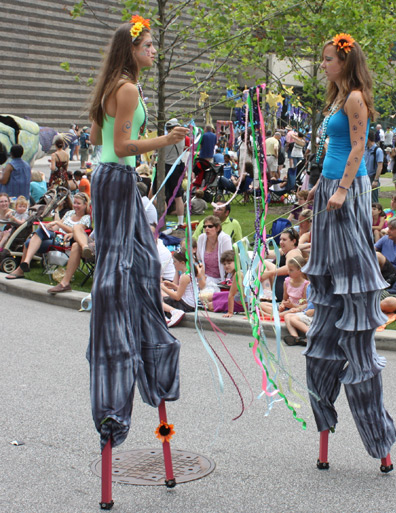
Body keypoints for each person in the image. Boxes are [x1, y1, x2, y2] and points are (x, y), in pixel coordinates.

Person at [86, 16, 189, 450]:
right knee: (124, 260)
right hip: (117, 177)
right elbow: (122, 146)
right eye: (148, 45)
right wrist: (164, 140)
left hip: (111, 177)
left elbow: (97, 136)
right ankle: (119, 312)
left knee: (139, 257)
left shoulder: (113, 86)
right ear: (131, 49)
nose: (154, 51)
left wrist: (124, 156)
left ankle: (139, 311)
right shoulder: (126, 88)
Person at [303, 34, 396, 469]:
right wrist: (320, 187)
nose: (323, 65)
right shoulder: (338, 97)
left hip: (348, 190)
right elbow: (332, 149)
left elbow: (358, 147)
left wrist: (340, 188)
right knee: (325, 282)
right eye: (321, 59)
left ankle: (378, 440)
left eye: (327, 59)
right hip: (329, 188)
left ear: (345, 60)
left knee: (352, 273)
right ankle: (323, 420)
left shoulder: (356, 97)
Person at [6, 192, 91, 279]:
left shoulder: (86, 218)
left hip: (65, 242)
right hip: (56, 236)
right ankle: (25, 263)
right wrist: (48, 226)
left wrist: (57, 223)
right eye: (74, 203)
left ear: (85, 205)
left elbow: (76, 232)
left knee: (28, 242)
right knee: (38, 232)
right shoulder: (69, 213)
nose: (75, 205)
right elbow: (57, 227)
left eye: (78, 203)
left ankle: (21, 268)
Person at [152, 118, 186, 228]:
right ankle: (180, 222)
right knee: (178, 196)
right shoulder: (182, 139)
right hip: (177, 167)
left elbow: (156, 150)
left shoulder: (165, 139)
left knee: (160, 195)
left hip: (164, 167)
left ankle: (162, 219)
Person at [161, 250, 205, 327]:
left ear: (182, 263)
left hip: (187, 305)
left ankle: (173, 313)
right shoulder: (189, 273)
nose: (173, 264)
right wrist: (174, 286)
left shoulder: (185, 276)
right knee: (162, 297)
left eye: (175, 261)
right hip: (191, 303)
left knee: (157, 300)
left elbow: (177, 297)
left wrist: (162, 287)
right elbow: (187, 290)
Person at [47, 225, 95, 294]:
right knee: (77, 228)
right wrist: (74, 235)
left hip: (107, 248)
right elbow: (91, 237)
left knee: (77, 245)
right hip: (93, 246)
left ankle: (85, 247)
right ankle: (65, 283)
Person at [259, 255, 309, 319]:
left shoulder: (306, 285)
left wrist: (293, 306)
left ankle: (272, 315)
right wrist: (282, 305)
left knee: (291, 311)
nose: (288, 272)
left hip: (296, 309)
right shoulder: (287, 282)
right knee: (261, 304)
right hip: (287, 307)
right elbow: (284, 299)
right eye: (288, 269)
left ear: (300, 271)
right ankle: (277, 313)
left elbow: (304, 305)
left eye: (291, 270)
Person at [196, 215, 232, 284]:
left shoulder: (225, 239)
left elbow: (229, 261)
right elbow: (198, 259)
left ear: (217, 228)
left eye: (210, 226)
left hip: (221, 278)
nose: (206, 228)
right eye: (205, 226)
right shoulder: (201, 238)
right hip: (204, 277)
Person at [375, 217, 396, 283]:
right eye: (388, 228)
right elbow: (371, 250)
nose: (388, 231)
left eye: (391, 229)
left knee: (378, 255)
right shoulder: (385, 239)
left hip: (395, 274)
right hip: (382, 269)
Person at [364, 131, 383, 202]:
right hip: (365, 176)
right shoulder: (365, 149)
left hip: (372, 177)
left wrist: (376, 180)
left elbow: (380, 166)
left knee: (374, 200)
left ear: (368, 138)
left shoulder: (378, 150)